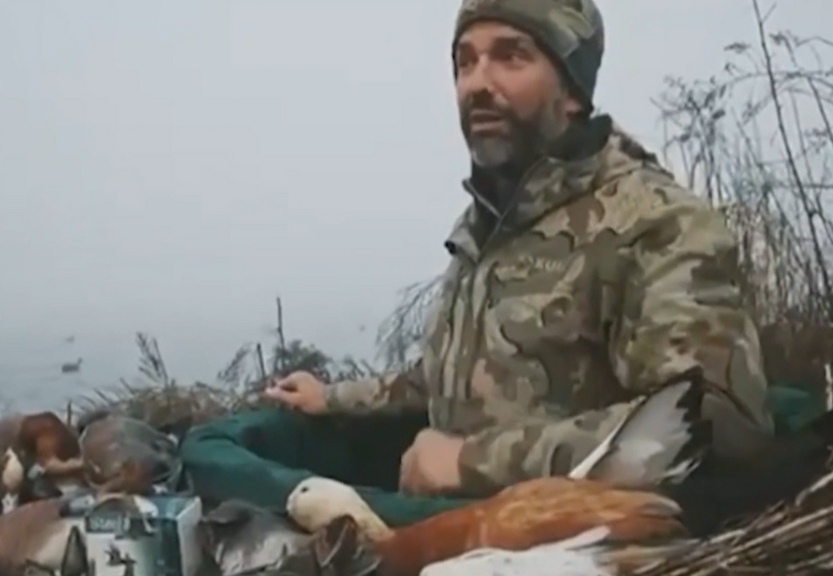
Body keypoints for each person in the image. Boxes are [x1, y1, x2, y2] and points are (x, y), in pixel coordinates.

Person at [265, 0, 775, 498]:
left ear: (572, 91)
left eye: (511, 56)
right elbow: (442, 378)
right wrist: (329, 397)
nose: (477, 84)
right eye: (465, 61)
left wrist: (468, 465)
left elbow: (718, 424)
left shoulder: (655, 222)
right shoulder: (481, 232)